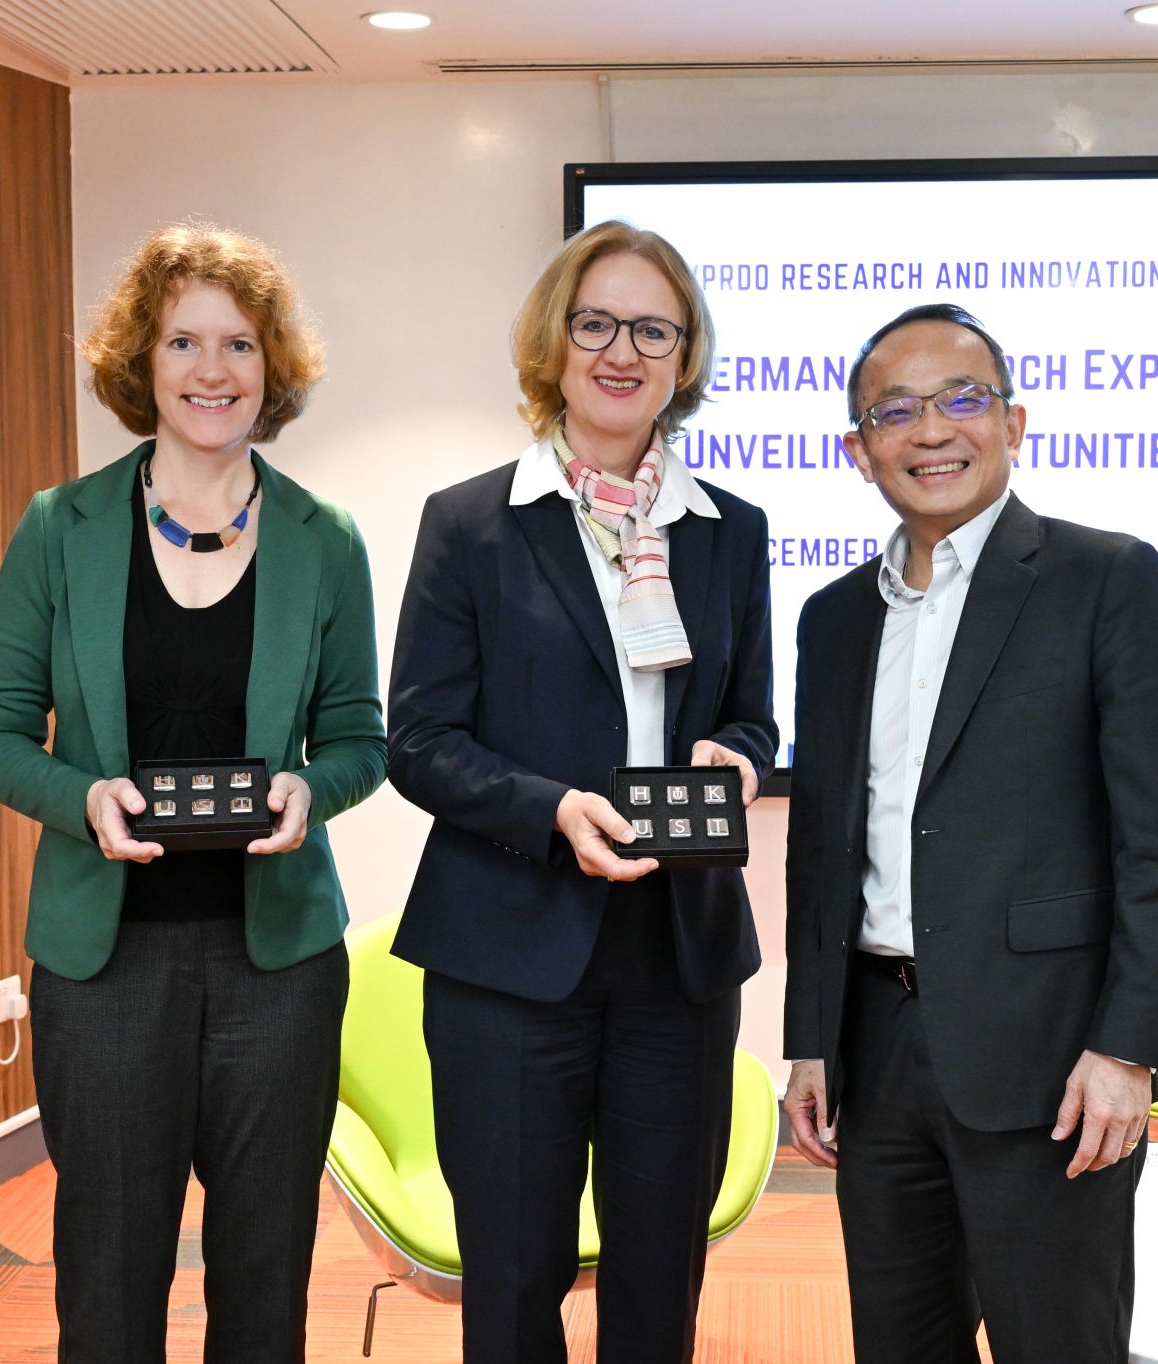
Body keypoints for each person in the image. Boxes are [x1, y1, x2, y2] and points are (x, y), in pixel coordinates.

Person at [0, 222, 385, 1363]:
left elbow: (360, 736)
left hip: (278, 964)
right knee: (106, 1279)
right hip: (104, 966)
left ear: (271, 367)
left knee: (263, 1279)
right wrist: (82, 797)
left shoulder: (322, 539)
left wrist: (310, 788)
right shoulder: (60, 529)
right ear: (140, 365)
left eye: (238, 344)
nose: (211, 370)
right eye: (183, 341)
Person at [780, 303, 1158, 1364]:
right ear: (857, 448)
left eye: (960, 398)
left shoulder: (1106, 579)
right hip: (876, 1051)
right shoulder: (830, 619)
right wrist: (807, 1036)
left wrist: (1126, 1049)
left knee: (1054, 1339)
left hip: (1052, 1056)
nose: (930, 430)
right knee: (898, 1339)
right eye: (894, 410)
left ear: (1014, 420)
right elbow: (822, 850)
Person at [386, 220, 776, 1364]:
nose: (622, 350)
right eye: (595, 322)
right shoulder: (470, 523)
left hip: (677, 954)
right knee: (512, 1280)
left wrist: (739, 759)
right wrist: (550, 808)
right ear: (552, 342)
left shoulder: (727, 532)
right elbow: (418, 739)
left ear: (683, 356)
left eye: (651, 328)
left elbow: (751, 711)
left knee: (660, 1276)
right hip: (507, 957)